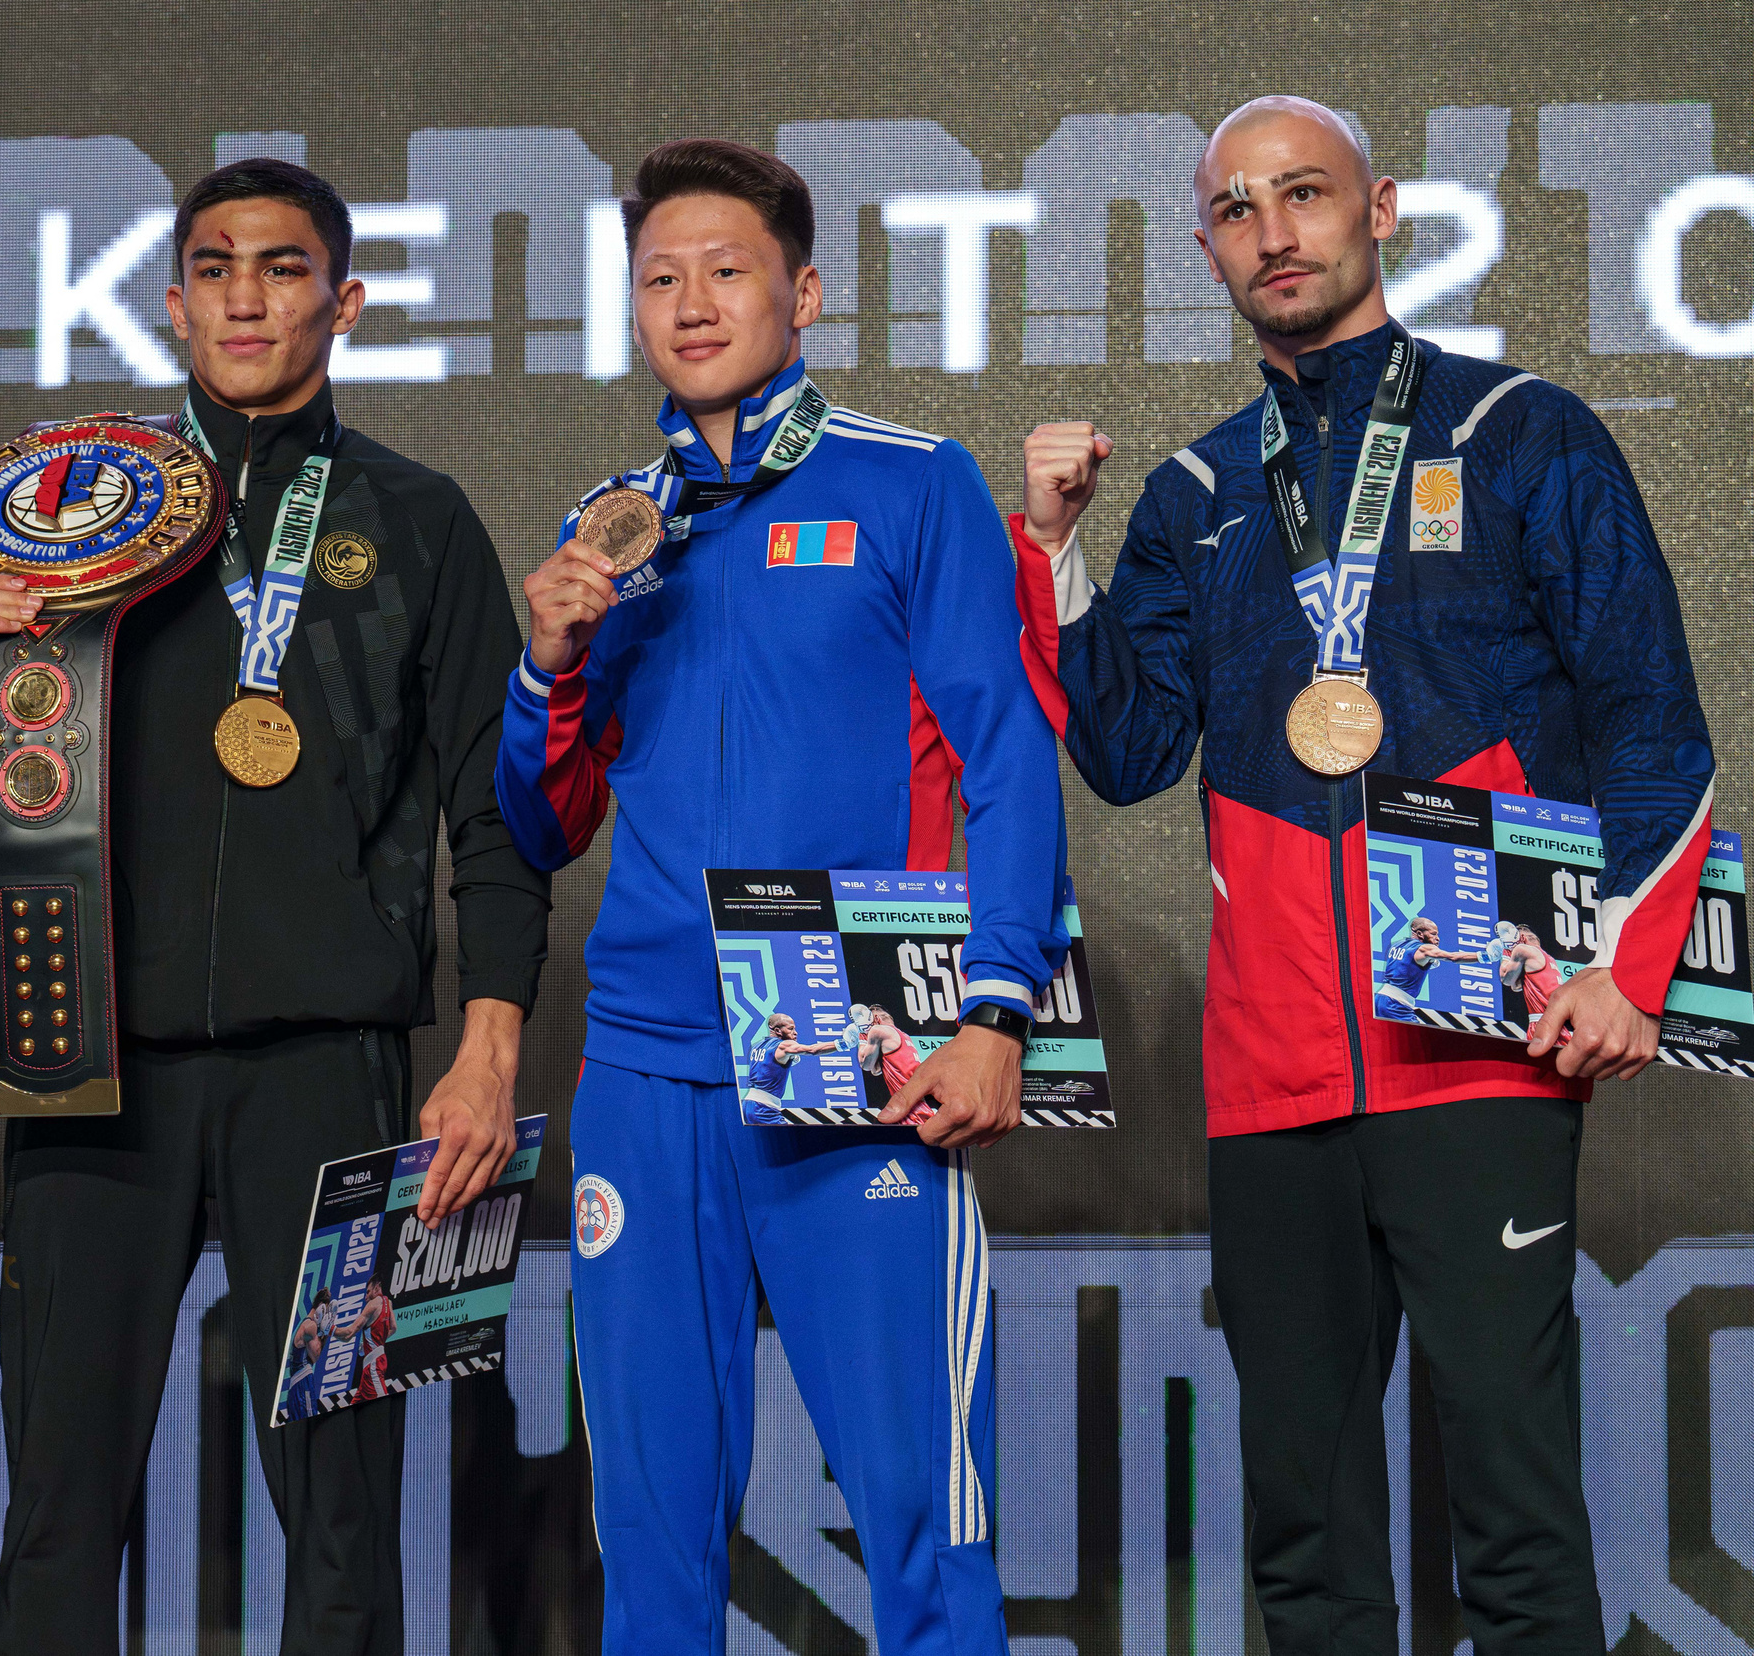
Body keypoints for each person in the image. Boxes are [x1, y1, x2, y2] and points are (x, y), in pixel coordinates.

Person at [1016, 95, 1713, 1656]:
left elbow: (1652, 718)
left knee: (1519, 1528)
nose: (1274, 229)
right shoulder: (1198, 497)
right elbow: (1129, 750)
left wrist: (1629, 967)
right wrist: (1055, 551)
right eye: (1236, 209)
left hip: (1475, 1052)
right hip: (1273, 1082)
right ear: (1206, 248)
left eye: (1305, 194)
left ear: (1380, 209)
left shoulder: (1522, 431)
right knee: (1309, 1544)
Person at [0, 156, 549, 1656]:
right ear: (173, 299)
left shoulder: (416, 518)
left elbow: (495, 804)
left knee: (341, 1502)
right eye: (214, 267)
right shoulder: (64, 515)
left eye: (280, 267)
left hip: (328, 1069)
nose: (246, 295)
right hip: (91, 1064)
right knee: (60, 1500)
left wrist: (489, 1041)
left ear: (346, 298)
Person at [498, 138, 1069, 1655]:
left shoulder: (910, 480)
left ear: (801, 291)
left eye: (725, 269)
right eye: (659, 279)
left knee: (921, 1520)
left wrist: (998, 1006)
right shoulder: (608, 526)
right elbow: (544, 819)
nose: (690, 303)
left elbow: (1010, 761)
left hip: (861, 1049)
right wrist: (543, 668)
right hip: (645, 1063)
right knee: (654, 1527)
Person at [742, 1010, 842, 1123]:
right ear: (777, 1031)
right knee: (788, 1139)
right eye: (790, 1029)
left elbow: (768, 1068)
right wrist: (843, 1044)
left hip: (747, 1104)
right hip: (764, 1108)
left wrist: (790, 1058)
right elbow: (813, 1050)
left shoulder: (757, 1046)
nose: (795, 1033)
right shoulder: (784, 1045)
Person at [1374, 915, 1481, 1020]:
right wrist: (1484, 956)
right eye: (1433, 934)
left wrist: (1430, 961)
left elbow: (1406, 967)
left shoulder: (1396, 945)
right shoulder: (1424, 949)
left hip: (1380, 998)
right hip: (1397, 1004)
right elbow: (1453, 957)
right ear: (1420, 934)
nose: (1437, 938)